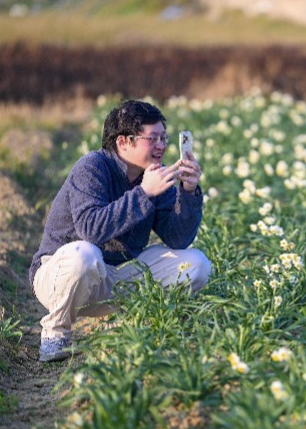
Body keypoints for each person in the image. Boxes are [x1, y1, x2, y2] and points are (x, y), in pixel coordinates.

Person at [29, 100, 211, 362]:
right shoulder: (92, 168)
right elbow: (90, 229)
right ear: (123, 142)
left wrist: (189, 192)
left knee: (197, 264)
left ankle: (137, 320)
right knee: (84, 254)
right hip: (61, 276)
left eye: (164, 138)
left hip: (116, 275)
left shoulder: (152, 176)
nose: (162, 145)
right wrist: (143, 193)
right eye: (153, 138)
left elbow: (178, 238)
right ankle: (55, 332)